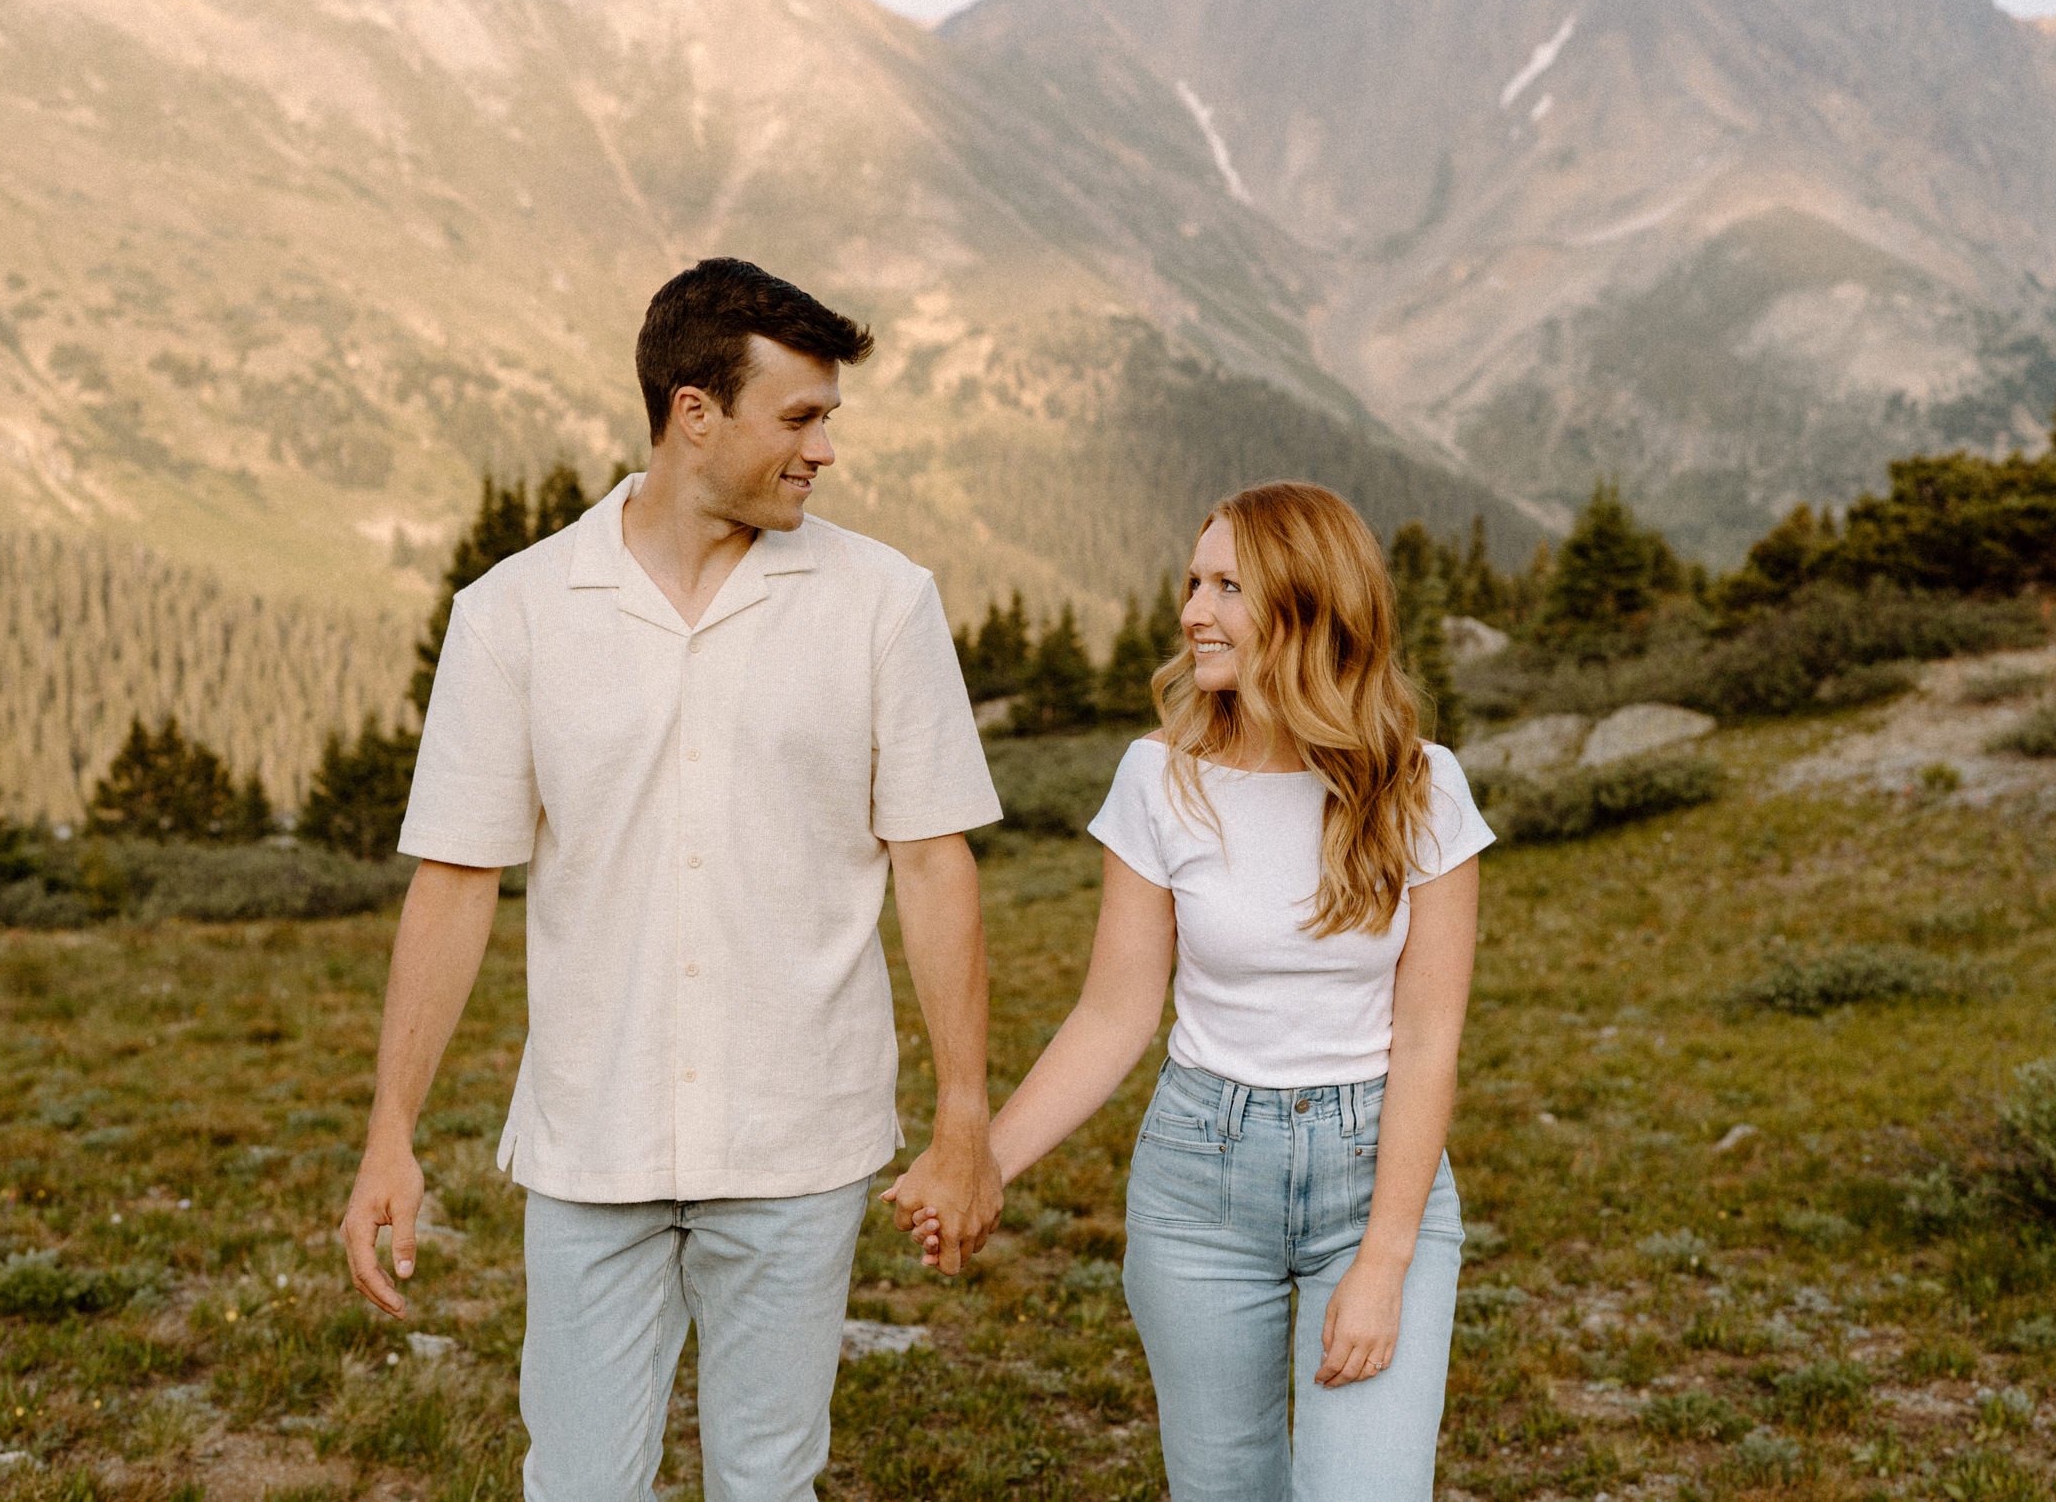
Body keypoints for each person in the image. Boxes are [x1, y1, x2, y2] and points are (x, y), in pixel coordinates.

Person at [341, 257, 1006, 1502]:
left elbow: (933, 860)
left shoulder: (882, 602)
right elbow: (452, 881)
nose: (822, 449)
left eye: (828, 419)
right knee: (581, 1484)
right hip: (592, 1141)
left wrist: (965, 1116)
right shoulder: (516, 613)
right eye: (798, 417)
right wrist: (391, 1135)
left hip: (800, 1136)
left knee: (769, 1480)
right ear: (694, 412)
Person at [902, 480, 1491, 1502]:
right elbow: (1113, 1011)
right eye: (1191, 581)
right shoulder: (1157, 776)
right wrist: (979, 1163)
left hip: (1373, 1176)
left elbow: (1429, 1039)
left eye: (1226, 585)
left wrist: (1385, 1259)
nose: (1191, 611)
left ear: (1309, 605)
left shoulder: (1420, 784)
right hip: (1199, 1182)